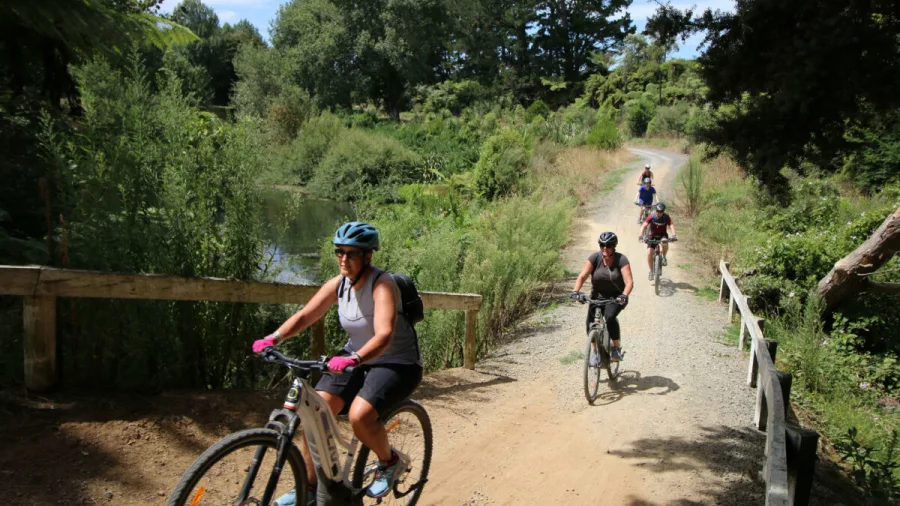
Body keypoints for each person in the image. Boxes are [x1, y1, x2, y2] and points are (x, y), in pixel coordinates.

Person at [251, 222, 422, 505]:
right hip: (355, 358)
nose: (344, 259)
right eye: (339, 252)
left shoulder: (382, 285)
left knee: (360, 417)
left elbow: (384, 335)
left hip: (397, 362)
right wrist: (274, 337)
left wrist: (353, 358)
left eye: (351, 253)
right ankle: (309, 487)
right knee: (313, 410)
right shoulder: (339, 284)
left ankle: (389, 461)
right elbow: (306, 316)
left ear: (367, 256)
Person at [570, 232, 634, 361]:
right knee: (590, 324)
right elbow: (582, 276)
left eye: (608, 245)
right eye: (602, 245)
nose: (605, 248)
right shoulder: (595, 258)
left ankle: (616, 348)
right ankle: (594, 352)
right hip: (596, 296)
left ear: (614, 246)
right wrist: (575, 291)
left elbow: (629, 282)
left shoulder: (621, 259)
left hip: (616, 297)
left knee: (610, 317)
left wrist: (624, 295)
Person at [639, 203, 677, 280]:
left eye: (661, 211)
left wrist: (674, 236)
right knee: (649, 252)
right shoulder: (652, 216)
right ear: (656, 210)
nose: (659, 213)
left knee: (664, 242)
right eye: (657, 211)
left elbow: (671, 225)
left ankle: (664, 257)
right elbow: (644, 226)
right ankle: (651, 271)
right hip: (652, 236)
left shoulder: (666, 217)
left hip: (662, 235)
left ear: (663, 211)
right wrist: (641, 236)